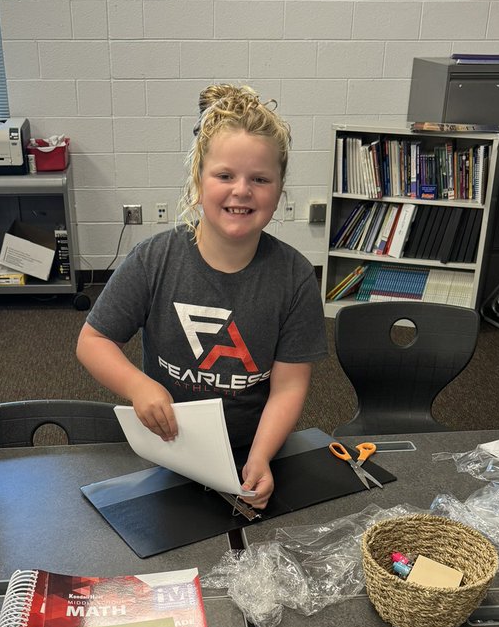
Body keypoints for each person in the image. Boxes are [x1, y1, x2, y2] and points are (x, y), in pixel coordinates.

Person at [76, 83, 328, 509]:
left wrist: (261, 457)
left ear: (279, 191)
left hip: (254, 448)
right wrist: (138, 386)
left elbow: (288, 387)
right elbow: (92, 341)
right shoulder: (154, 260)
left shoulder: (295, 277)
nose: (242, 190)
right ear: (198, 180)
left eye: (260, 179)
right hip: (169, 447)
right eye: (225, 176)